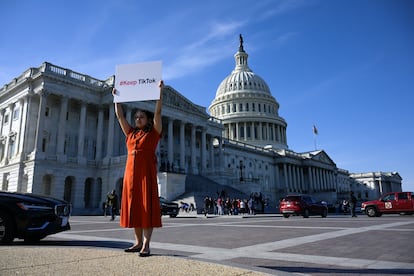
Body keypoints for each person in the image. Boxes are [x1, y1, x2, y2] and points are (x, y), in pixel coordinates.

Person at [113, 80, 164, 257]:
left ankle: (147, 244)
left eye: (141, 117)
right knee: (134, 207)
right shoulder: (131, 133)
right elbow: (120, 117)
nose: (137, 119)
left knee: (146, 207)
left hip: (146, 174)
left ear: (148, 120)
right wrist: (116, 99)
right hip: (130, 174)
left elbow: (158, 112)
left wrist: (159, 94)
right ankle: (137, 242)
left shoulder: (153, 133)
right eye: (136, 117)